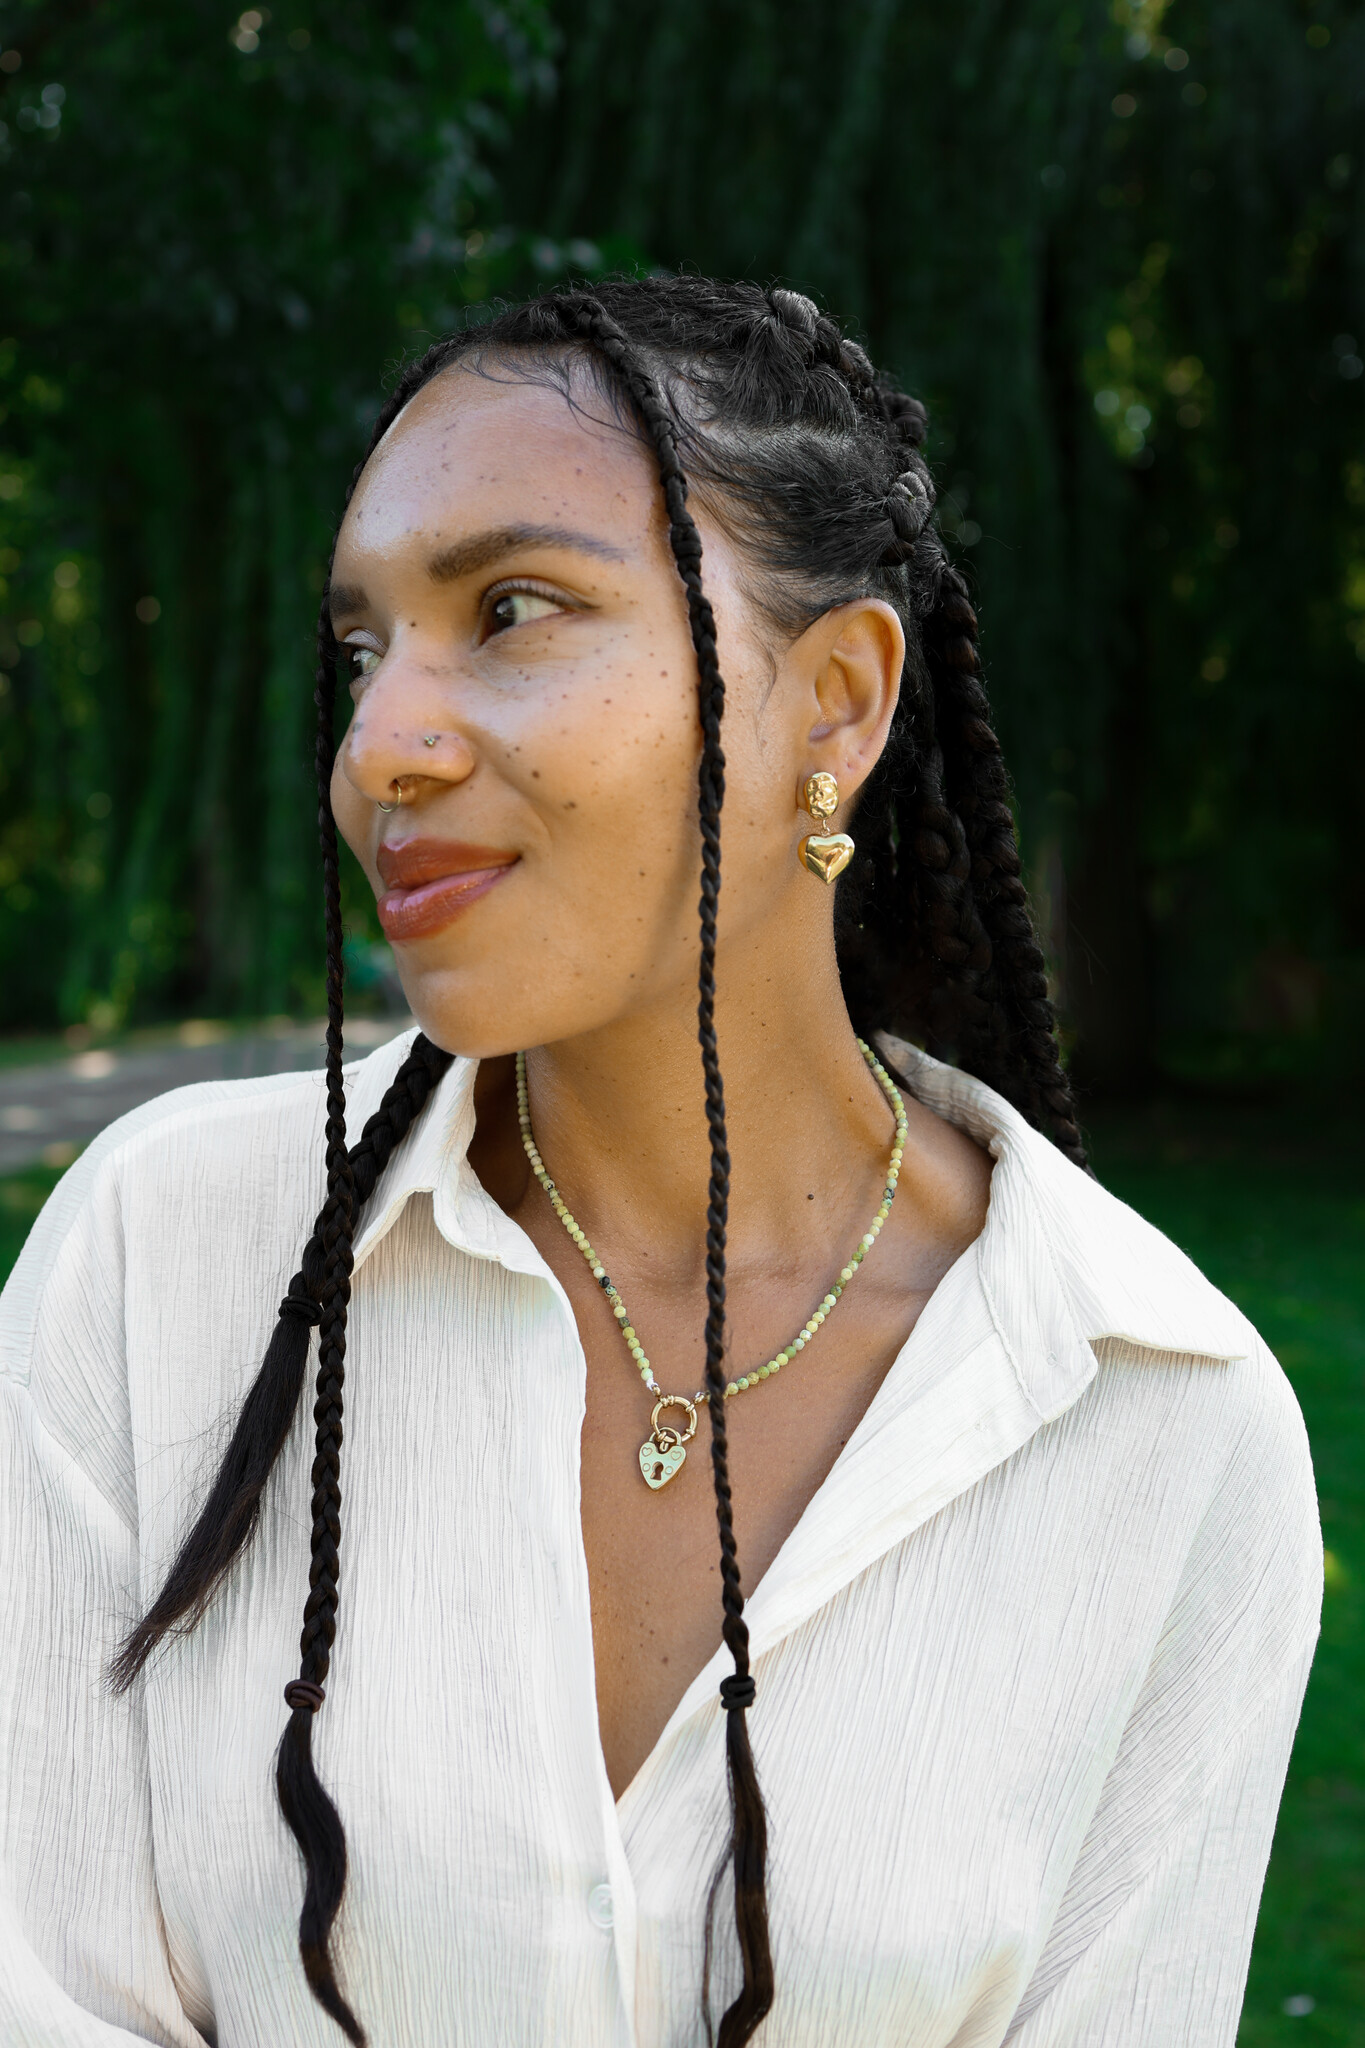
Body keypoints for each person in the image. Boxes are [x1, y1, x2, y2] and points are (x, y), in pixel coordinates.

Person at [0, 279, 1320, 2048]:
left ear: (833, 705)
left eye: (513, 609)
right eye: (363, 649)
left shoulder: (1159, 1422)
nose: (378, 746)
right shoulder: (159, 1260)